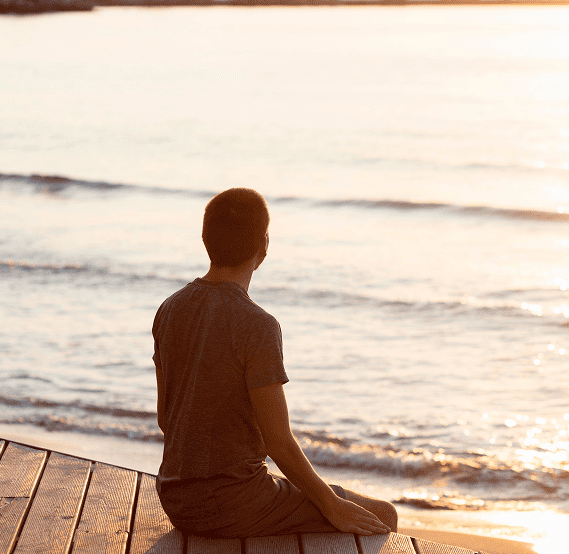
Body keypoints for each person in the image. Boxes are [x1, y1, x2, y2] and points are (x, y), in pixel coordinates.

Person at [152, 187, 397, 538]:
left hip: (175, 498)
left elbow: (166, 419)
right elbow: (278, 443)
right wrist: (332, 506)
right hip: (232, 505)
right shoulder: (258, 325)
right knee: (383, 514)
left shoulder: (170, 309)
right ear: (264, 245)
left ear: (205, 239)